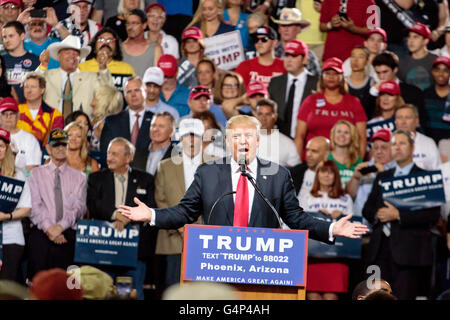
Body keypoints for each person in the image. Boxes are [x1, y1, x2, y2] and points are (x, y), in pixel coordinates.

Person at [119, 115, 369, 244]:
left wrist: (331, 228)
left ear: (258, 141)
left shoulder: (279, 175)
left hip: (262, 267)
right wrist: (152, 215)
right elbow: (185, 212)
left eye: (249, 136)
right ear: (227, 142)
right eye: (236, 137)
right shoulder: (207, 173)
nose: (243, 141)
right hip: (217, 264)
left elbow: (295, 218)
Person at [362, 129, 441, 300]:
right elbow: (367, 209)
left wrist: (398, 215)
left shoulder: (426, 178)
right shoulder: (382, 176)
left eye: (402, 143)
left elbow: (433, 215)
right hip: (379, 252)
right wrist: (379, 214)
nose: (397, 147)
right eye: (394, 144)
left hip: (409, 254)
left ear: (412, 148)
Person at [87, 137, 157, 300]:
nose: (109, 157)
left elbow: (150, 206)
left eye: (115, 154)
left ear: (128, 158)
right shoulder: (96, 178)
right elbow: (92, 204)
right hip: (104, 248)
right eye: (109, 153)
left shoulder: (145, 179)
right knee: (104, 293)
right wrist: (116, 214)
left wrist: (128, 217)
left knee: (131, 293)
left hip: (134, 251)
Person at [152, 118, 206, 297]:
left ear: (203, 138)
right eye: (186, 136)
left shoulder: (216, 165)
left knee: (202, 290)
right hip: (173, 238)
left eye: (195, 136)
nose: (191, 140)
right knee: (173, 287)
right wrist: (180, 225)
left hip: (206, 238)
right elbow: (160, 199)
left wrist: (197, 229)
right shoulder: (164, 166)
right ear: (179, 139)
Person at [27, 129, 87, 280]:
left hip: (68, 235)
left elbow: (79, 208)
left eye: (63, 145)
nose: (60, 148)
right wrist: (50, 229)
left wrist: (59, 227)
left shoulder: (79, 177)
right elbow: (34, 206)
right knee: (39, 284)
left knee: (69, 285)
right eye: (56, 145)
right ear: (48, 148)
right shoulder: (36, 174)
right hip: (41, 232)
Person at [294, 57, 367, 160]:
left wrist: (358, 164)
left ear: (342, 77)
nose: (331, 77)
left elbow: (362, 138)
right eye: (327, 73)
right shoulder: (310, 101)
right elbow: (299, 136)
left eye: (336, 73)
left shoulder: (353, 102)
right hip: (313, 161)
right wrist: (297, 163)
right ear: (322, 76)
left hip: (344, 163)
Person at [304, 160, 354, 300]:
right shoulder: (307, 197)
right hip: (312, 256)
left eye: (330, 172)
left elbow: (353, 227)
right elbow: (297, 223)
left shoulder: (345, 199)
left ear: (336, 176)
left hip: (336, 256)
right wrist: (316, 216)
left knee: (331, 296)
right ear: (317, 174)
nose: (326, 175)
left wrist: (342, 217)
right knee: (313, 295)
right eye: (323, 171)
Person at [37, 35, 114, 120]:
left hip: (82, 129)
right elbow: (30, 85)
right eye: (67, 52)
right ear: (58, 56)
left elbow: (109, 92)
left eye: (76, 53)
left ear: (80, 58)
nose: (72, 56)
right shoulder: (47, 76)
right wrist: (43, 66)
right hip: (51, 127)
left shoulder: (91, 77)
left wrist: (103, 68)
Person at [268, 39, 318, 138]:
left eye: (294, 56)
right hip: (278, 140)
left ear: (305, 59)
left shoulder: (317, 83)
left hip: (307, 141)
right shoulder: (275, 83)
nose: (289, 60)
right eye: (287, 55)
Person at [0, 128, 31, 283]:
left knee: (6, 286)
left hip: (11, 237)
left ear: (7, 149)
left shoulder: (18, 175)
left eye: (1, 146)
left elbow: (27, 209)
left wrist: (7, 216)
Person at [100, 76, 153, 166]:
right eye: (129, 91)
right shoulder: (111, 122)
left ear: (146, 92)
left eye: (137, 90)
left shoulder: (155, 122)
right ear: (125, 96)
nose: (133, 95)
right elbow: (105, 155)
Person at [347, 128, 396, 219]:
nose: (379, 151)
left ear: (393, 148)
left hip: (381, 221)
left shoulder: (398, 169)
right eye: (375, 148)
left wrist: (383, 175)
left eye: (384, 147)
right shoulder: (365, 167)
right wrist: (355, 178)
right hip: (358, 221)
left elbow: (396, 198)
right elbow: (349, 196)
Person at [79, 27, 136, 93]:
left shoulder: (126, 69)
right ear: (94, 45)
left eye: (110, 40)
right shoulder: (82, 68)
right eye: (101, 40)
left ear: (116, 46)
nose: (105, 43)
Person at [16, 72, 64, 147]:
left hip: (44, 156)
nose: (29, 90)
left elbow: (56, 143)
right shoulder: (14, 111)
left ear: (42, 90)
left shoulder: (55, 114)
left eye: (33, 87)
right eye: (26, 87)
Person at [271, 7, 320, 77]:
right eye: (283, 25)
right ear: (279, 29)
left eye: (290, 25)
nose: (286, 29)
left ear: (299, 29)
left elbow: (316, 82)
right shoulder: (271, 53)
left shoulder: (308, 55)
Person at [0, 96, 41, 175]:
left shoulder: (30, 139)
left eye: (12, 113)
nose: (8, 117)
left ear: (18, 116)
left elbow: (32, 172)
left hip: (20, 183)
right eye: (5, 114)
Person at [2, 21, 40, 103]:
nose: (7, 40)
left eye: (11, 36)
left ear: (22, 36)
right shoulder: (1, 60)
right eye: (4, 37)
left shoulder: (36, 60)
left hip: (29, 110)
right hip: (5, 111)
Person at [394, 104, 441, 170]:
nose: (403, 122)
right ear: (395, 121)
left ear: (416, 121)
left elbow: (437, 171)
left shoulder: (428, 143)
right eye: (399, 117)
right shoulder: (387, 141)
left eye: (408, 117)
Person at [255, 98, 300, 167]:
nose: (263, 118)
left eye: (268, 114)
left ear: (275, 117)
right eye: (260, 114)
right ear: (255, 116)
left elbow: (295, 171)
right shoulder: (244, 140)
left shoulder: (287, 143)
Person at [120, 9, 163, 79]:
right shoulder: (119, 48)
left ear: (144, 25)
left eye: (134, 23)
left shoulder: (155, 49)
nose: (130, 27)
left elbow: (158, 78)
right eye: (128, 23)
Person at [422, 56, 450, 157]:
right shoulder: (425, 94)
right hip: (428, 145)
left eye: (445, 70)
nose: (441, 74)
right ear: (432, 72)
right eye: (437, 70)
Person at [398, 22, 438, 91]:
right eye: (409, 36)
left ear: (425, 41)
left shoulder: (436, 61)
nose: (411, 41)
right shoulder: (401, 63)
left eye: (415, 37)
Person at [290, 136, 330, 205]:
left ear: (326, 155)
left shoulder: (332, 174)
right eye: (307, 150)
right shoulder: (295, 172)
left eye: (314, 151)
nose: (308, 154)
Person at [328, 120, 363, 188]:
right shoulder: (326, 158)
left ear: (352, 136)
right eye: (339, 131)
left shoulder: (358, 160)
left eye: (346, 132)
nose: (342, 135)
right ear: (333, 134)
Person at [89, 85, 124, 152]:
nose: (91, 103)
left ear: (102, 103)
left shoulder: (104, 126)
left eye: (94, 99)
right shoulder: (98, 122)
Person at [345, 46, 375, 119]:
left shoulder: (373, 84)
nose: (355, 60)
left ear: (367, 62)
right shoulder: (342, 82)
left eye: (360, 57)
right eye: (353, 56)